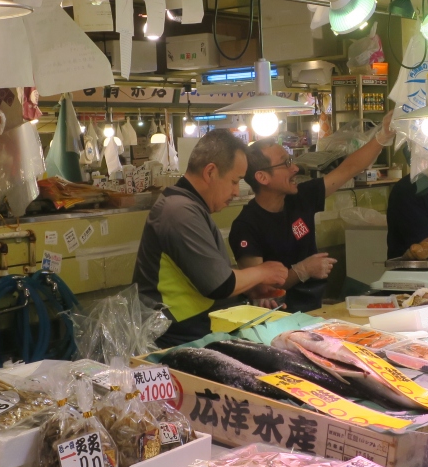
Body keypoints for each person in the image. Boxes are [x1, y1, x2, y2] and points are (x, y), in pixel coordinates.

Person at [133, 129, 288, 346]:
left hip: (197, 330)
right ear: (210, 172)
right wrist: (263, 272)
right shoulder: (178, 211)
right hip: (175, 339)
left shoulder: (190, 206)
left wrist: (249, 289)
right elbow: (219, 285)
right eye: (235, 181)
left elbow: (214, 277)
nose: (236, 192)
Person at [230, 111, 396, 313]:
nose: (295, 169)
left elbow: (348, 169)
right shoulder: (246, 226)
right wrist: (302, 271)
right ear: (262, 177)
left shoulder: (300, 197)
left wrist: (382, 136)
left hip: (315, 308)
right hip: (277, 319)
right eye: (286, 163)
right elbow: (258, 288)